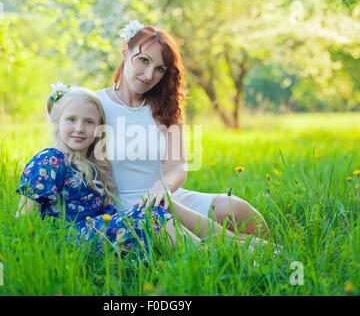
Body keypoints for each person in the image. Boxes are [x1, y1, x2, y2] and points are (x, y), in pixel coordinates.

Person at [14, 84, 256, 254]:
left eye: (89, 122)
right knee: (149, 216)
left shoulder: (93, 165)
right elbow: (24, 218)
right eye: (71, 120)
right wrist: (34, 251)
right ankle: (218, 253)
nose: (80, 128)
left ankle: (233, 247)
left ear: (99, 128)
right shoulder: (50, 159)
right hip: (68, 240)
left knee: (153, 212)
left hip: (97, 232)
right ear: (58, 123)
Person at [95, 20, 270, 239]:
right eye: (143, 61)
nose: (149, 75)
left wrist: (163, 187)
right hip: (129, 208)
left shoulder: (164, 107)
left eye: (159, 69)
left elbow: (178, 165)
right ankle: (250, 250)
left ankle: (256, 249)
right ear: (124, 53)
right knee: (207, 241)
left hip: (167, 197)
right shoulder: (94, 104)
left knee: (237, 210)